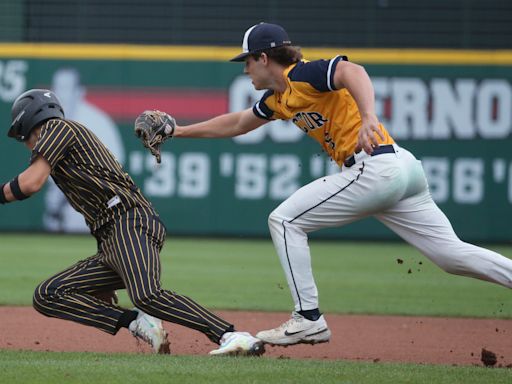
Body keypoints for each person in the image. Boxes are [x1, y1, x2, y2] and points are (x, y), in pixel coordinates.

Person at [135, 22, 512, 347]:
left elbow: (353, 71)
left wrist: (368, 116)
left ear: (265, 58)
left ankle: (308, 318)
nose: (245, 68)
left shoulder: (304, 74)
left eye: (248, 60)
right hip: (400, 169)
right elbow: (237, 124)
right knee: (451, 256)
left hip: (376, 167)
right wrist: (179, 131)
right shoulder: (281, 98)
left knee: (285, 221)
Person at [0, 88, 264, 356]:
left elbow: (30, 183)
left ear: (28, 122)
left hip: (129, 221)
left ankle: (231, 335)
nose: (25, 144)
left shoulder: (58, 128)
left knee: (147, 295)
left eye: (22, 135)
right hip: (112, 236)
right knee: (48, 294)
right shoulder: (62, 143)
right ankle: (138, 323)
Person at [44, 68, 125, 233]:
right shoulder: (50, 121)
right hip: (58, 206)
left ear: (79, 92)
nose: (60, 93)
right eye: (57, 87)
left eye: (66, 88)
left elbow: (116, 165)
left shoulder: (97, 121)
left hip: (92, 203)